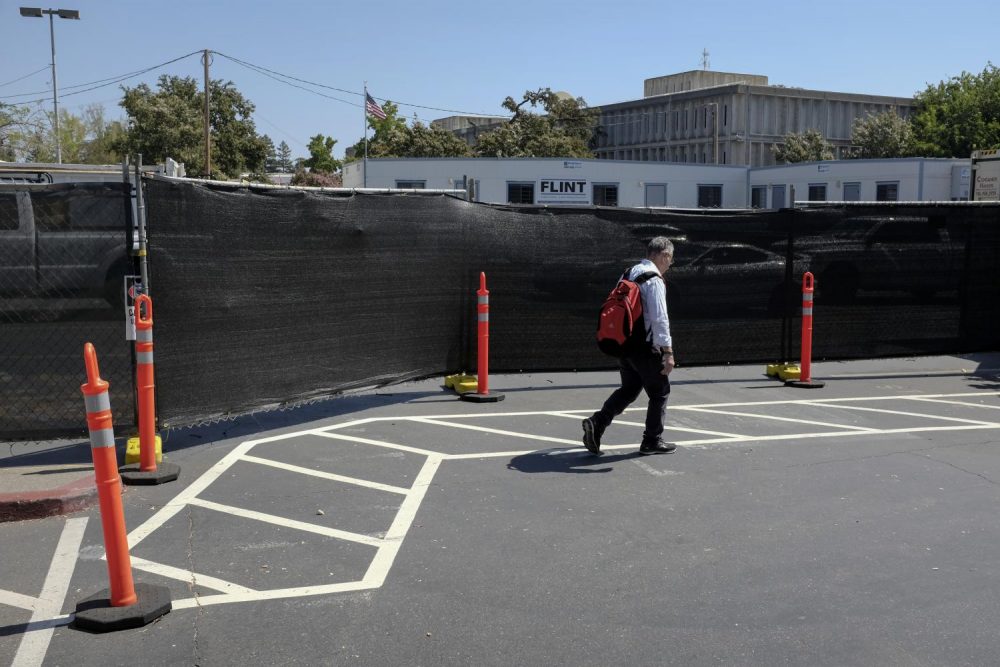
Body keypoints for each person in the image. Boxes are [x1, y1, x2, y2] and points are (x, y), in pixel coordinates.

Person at [583, 236, 676, 455]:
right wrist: (668, 351)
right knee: (660, 391)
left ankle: (598, 422)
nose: (669, 265)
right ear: (664, 255)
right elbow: (659, 318)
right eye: (670, 260)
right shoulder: (653, 280)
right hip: (645, 347)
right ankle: (651, 440)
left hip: (624, 343)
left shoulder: (628, 273)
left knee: (629, 389)